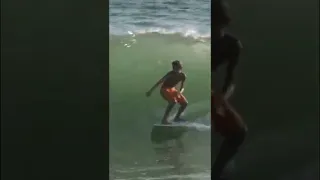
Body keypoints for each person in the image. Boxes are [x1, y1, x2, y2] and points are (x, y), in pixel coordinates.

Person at [211, 0, 248, 179]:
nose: (214, 32)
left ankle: (214, 174)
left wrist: (222, 98)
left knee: (238, 133)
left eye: (217, 26)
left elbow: (230, 80)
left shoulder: (232, 45)